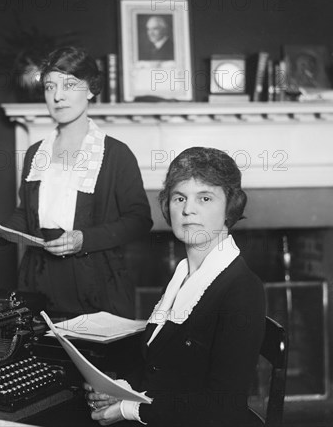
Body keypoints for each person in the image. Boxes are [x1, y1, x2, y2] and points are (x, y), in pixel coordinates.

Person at [85, 147, 266, 426]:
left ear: (231, 207)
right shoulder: (182, 274)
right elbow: (159, 363)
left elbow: (224, 406)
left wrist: (128, 409)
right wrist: (118, 388)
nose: (188, 209)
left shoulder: (242, 289)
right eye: (179, 197)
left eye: (204, 198)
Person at [0, 46, 153, 319]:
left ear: (90, 89)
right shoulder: (35, 153)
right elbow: (26, 214)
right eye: (49, 86)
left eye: (69, 85)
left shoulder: (115, 154)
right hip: (37, 282)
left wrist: (84, 239)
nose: (58, 96)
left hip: (98, 286)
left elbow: (140, 220)